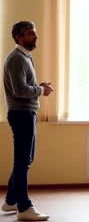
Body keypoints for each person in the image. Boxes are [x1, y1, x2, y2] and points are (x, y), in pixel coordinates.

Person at [2, 21, 53, 221]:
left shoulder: (24, 56)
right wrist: (41, 90)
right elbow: (19, 90)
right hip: (21, 115)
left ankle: (11, 200)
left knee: (26, 159)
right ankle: (24, 207)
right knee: (23, 162)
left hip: (26, 113)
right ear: (19, 37)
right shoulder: (16, 59)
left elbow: (24, 85)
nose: (35, 37)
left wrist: (38, 86)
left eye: (35, 33)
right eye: (31, 34)